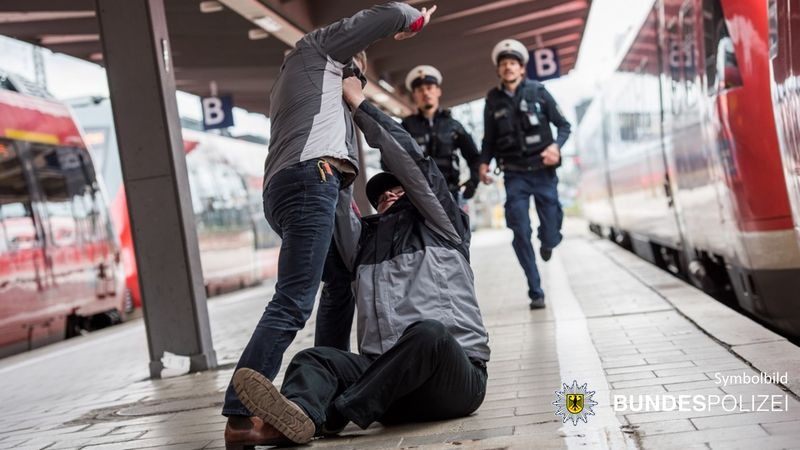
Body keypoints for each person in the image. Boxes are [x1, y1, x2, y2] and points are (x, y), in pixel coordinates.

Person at [226, 75, 490, 447]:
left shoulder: (445, 226)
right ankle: (297, 418)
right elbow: (336, 193)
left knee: (428, 333)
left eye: (399, 189)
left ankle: (331, 415)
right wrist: (330, 127)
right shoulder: (361, 246)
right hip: (387, 390)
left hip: (453, 378)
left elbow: (411, 162)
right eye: (382, 195)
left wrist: (359, 106)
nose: (391, 195)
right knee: (314, 359)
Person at [223, 3, 438, 445]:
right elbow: (380, 15)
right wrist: (411, 20)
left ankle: (323, 392)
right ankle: (239, 415)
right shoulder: (316, 49)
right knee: (294, 300)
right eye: (354, 66)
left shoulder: (295, 87)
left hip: (309, 186)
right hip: (311, 181)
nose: (355, 75)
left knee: (340, 283)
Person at [478, 39, 571, 310]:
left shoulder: (539, 92)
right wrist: (483, 164)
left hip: (543, 172)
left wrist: (556, 147)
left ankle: (549, 239)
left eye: (513, 63)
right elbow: (489, 141)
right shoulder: (492, 101)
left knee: (551, 228)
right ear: (499, 70)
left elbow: (564, 126)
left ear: (521, 68)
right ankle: (535, 290)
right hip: (515, 175)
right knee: (519, 230)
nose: (508, 67)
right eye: (503, 64)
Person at [398, 65, 481, 202]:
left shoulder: (453, 126)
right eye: (420, 90)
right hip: (417, 196)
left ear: (438, 91)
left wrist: (474, 181)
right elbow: (389, 160)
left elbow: (474, 157)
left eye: (429, 88)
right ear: (414, 95)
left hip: (450, 194)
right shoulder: (406, 127)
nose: (426, 93)